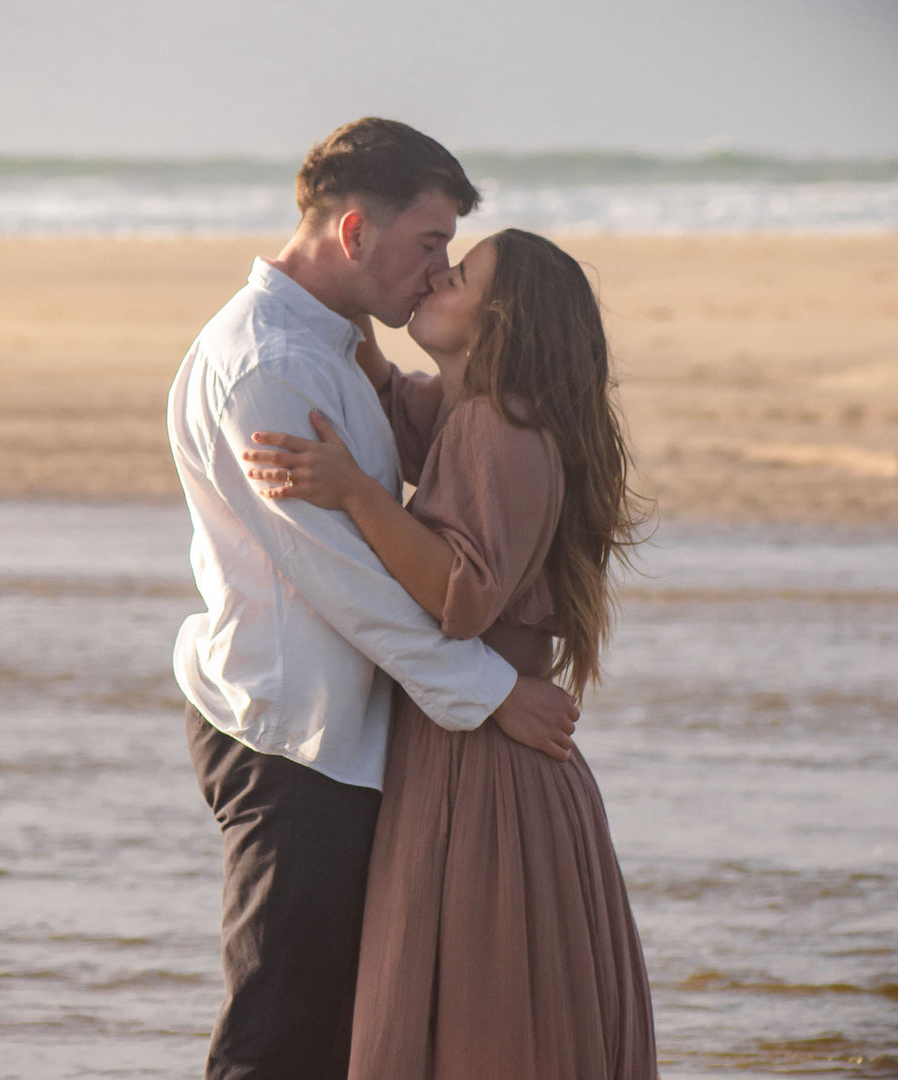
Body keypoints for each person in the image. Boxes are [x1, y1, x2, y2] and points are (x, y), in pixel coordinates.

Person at [167, 120, 579, 1080]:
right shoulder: (275, 367)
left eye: (449, 256)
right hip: (296, 735)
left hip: (342, 729)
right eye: (431, 245)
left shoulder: (331, 349)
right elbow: (349, 585)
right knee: (280, 1038)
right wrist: (493, 691)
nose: (438, 273)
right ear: (355, 236)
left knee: (334, 1029)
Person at [243, 229, 659, 1077]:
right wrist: (344, 287)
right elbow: (394, 403)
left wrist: (356, 493)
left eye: (459, 273)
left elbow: (462, 597)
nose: (438, 273)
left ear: (498, 318)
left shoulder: (499, 429)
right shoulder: (465, 413)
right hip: (479, 739)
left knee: (474, 1011)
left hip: (483, 763)